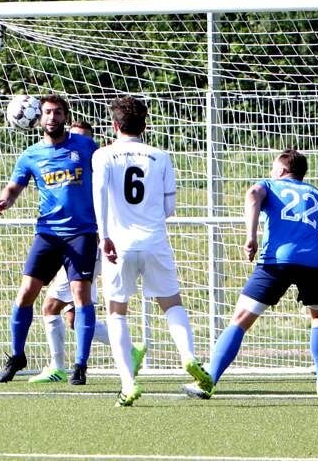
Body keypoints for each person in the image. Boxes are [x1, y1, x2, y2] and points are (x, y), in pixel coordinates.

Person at [184, 149, 318, 400]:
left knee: (241, 319)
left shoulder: (270, 185)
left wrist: (251, 236)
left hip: (277, 261)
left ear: (281, 170)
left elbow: (253, 194)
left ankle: (209, 380)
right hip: (313, 264)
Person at [92, 96, 214, 406]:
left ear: (115, 125)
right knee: (172, 304)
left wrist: (103, 235)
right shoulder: (160, 156)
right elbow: (169, 207)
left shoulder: (103, 155)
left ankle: (128, 383)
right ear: (145, 126)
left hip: (118, 244)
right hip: (155, 241)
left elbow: (99, 196)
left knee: (117, 312)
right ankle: (187, 357)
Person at [28, 120, 146, 384]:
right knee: (70, 316)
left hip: (88, 244)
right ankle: (124, 352)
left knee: (53, 307)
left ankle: (61, 367)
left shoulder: (98, 171)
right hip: (72, 242)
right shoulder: (78, 170)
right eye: (74, 136)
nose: (76, 143)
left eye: (82, 139)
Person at [0, 95, 98, 385]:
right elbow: (15, 186)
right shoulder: (31, 155)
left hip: (82, 233)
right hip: (48, 233)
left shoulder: (85, 146)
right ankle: (16, 355)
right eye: (48, 112)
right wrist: (5, 199)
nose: (52, 117)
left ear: (66, 116)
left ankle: (80, 365)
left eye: (58, 112)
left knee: (80, 296)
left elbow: (106, 173)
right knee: (27, 292)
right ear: (38, 118)